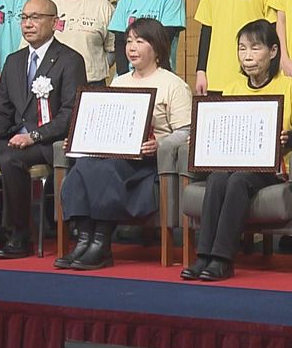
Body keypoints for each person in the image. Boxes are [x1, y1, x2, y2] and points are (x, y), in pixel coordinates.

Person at [180, 19, 292, 281]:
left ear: (273, 51)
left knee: (239, 180)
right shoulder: (232, 88)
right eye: (242, 49)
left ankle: (223, 259)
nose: (247, 56)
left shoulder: (289, 87)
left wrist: (287, 137)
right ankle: (203, 256)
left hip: (270, 166)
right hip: (233, 159)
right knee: (218, 178)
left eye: (255, 48)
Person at [57, 18, 192, 271]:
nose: (132, 47)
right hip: (113, 155)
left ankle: (101, 242)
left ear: (157, 47)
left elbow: (185, 131)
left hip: (146, 162)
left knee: (105, 170)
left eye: (140, 41)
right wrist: (78, 139)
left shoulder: (173, 84)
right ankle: (84, 239)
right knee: (84, 165)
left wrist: (159, 143)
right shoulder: (119, 81)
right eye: (129, 41)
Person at [0, 0, 86, 259]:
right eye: (24, 18)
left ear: (54, 23)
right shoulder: (14, 61)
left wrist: (35, 136)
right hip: (14, 137)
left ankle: (20, 233)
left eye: (36, 18)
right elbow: (3, 111)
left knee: (11, 160)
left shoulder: (69, 60)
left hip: (48, 141)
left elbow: (70, 114)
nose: (28, 24)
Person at [49, 0, 114, 86]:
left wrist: (96, 70)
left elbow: (112, 49)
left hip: (92, 85)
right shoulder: (48, 5)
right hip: (53, 84)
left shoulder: (102, 7)